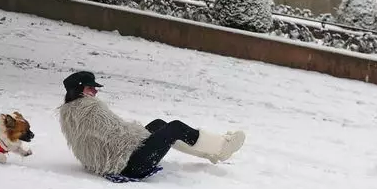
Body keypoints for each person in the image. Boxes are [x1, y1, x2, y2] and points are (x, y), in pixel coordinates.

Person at [57, 71, 245, 180]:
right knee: (175, 127)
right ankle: (221, 147)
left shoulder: (70, 111)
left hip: (117, 161)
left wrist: (144, 136)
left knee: (159, 125)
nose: (95, 90)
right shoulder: (90, 108)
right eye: (90, 88)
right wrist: (142, 137)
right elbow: (117, 135)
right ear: (78, 90)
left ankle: (210, 153)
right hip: (126, 166)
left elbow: (109, 136)